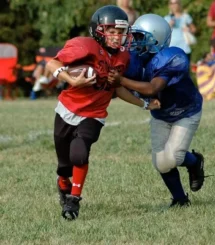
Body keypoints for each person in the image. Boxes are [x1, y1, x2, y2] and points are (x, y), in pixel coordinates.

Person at [46, 5, 160, 221]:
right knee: (64, 164)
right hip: (67, 109)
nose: (117, 37)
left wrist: (143, 104)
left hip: (94, 113)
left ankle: (74, 200)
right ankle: (63, 181)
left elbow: (117, 88)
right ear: (98, 31)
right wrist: (71, 79)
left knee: (79, 153)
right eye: (112, 32)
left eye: (120, 32)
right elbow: (53, 63)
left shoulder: (123, 57)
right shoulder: (84, 46)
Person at [108, 14, 205, 208]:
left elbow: (153, 88)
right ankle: (180, 199)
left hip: (185, 111)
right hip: (160, 114)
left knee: (175, 156)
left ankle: (194, 162)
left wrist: (122, 80)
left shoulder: (172, 57)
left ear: (157, 39)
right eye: (134, 36)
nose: (134, 42)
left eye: (140, 37)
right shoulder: (133, 59)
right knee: (161, 162)